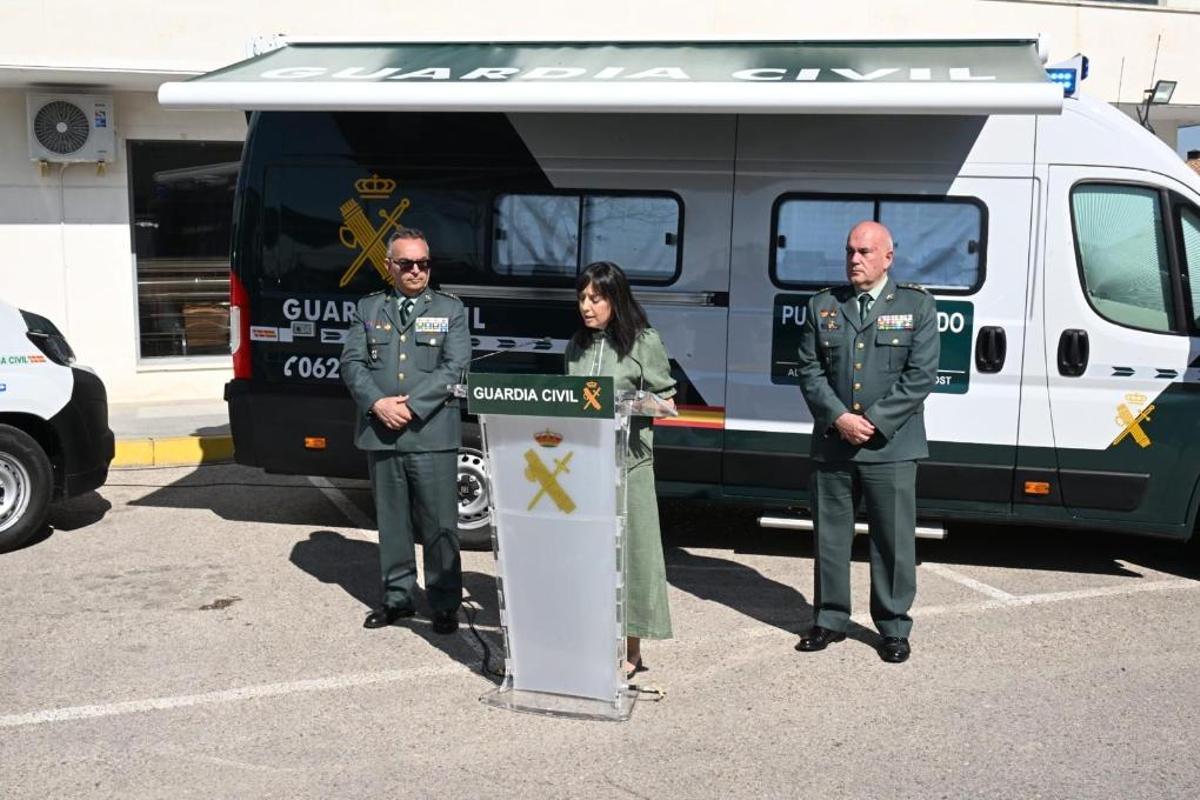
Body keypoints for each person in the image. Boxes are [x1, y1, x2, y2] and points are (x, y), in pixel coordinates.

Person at [794, 221, 939, 663]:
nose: (855, 259)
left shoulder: (917, 305)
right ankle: (829, 618)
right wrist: (839, 418)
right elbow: (809, 369)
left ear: (888, 258)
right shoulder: (824, 306)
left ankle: (894, 626)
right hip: (835, 444)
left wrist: (871, 422)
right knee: (830, 538)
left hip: (890, 447)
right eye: (850, 251)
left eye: (865, 252)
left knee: (893, 540)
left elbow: (921, 376)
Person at [340, 228, 470, 635]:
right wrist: (377, 403)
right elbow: (352, 364)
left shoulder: (451, 311)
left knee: (439, 523)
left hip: (432, 433)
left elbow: (456, 367)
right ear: (389, 266)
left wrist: (411, 406)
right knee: (392, 523)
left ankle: (445, 602)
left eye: (423, 264)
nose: (416, 271)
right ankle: (397, 599)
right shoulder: (368, 308)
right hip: (382, 431)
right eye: (407, 264)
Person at [564, 261, 676, 679]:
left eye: (596, 299)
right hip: (585, 466)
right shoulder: (576, 345)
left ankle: (632, 650)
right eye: (582, 298)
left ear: (616, 299)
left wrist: (634, 404)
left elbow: (667, 400)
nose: (587, 307)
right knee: (589, 557)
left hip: (629, 465)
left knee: (632, 556)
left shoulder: (643, 341)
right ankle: (589, 640)